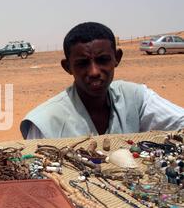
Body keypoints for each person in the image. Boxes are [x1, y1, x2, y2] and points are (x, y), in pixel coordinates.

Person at [20, 22, 184, 139]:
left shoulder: (136, 98)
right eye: (82, 63)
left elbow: (180, 122)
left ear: (116, 59)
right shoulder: (46, 121)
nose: (94, 72)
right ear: (67, 67)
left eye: (103, 60)